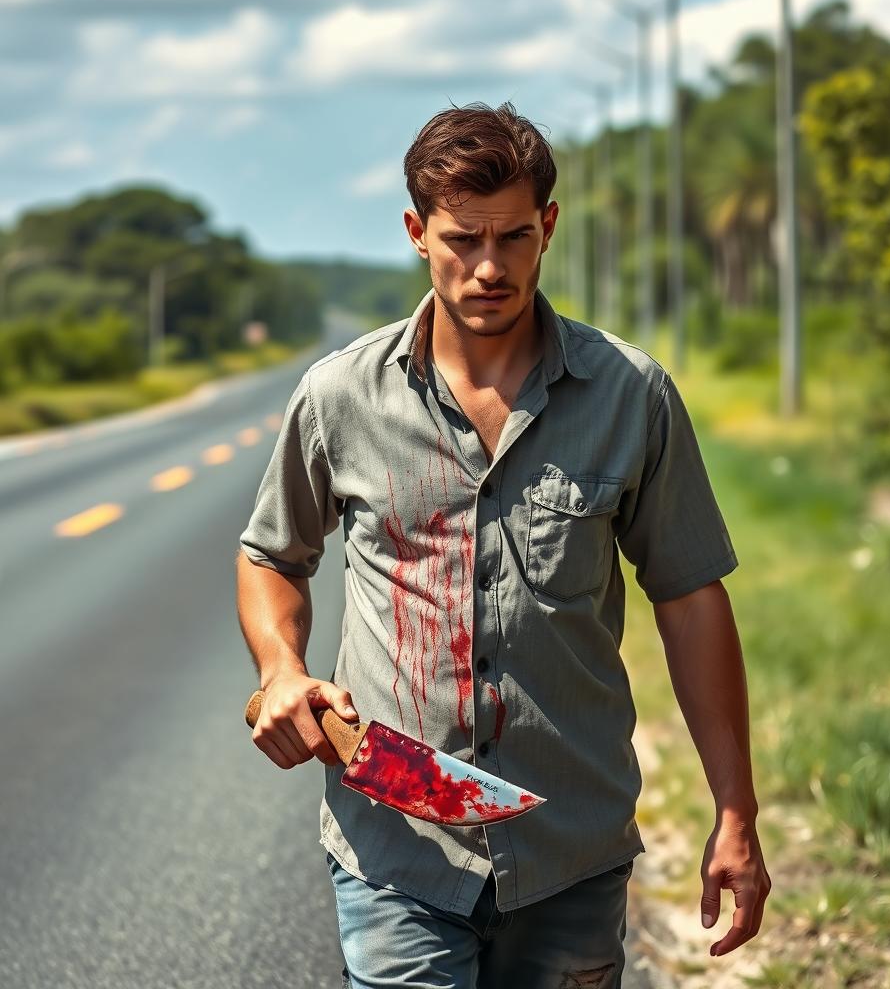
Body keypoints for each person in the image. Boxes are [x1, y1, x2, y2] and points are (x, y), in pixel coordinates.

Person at [236, 101, 770, 988]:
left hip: (570, 849)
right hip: (396, 844)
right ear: (416, 231)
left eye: (514, 239)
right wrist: (280, 670)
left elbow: (690, 597)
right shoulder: (339, 398)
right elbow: (272, 556)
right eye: (461, 240)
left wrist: (736, 811)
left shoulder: (629, 395)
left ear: (548, 227)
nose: (489, 267)